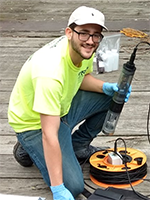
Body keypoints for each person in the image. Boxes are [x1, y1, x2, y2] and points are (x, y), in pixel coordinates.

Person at [8, 6, 131, 200]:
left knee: (114, 98)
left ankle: (78, 146)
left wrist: (106, 87)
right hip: (34, 124)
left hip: (61, 107)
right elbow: (49, 135)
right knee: (73, 187)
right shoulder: (49, 71)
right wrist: (58, 188)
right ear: (69, 32)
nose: (90, 41)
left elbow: (80, 77)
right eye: (83, 33)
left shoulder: (83, 50)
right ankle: (27, 146)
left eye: (96, 35)